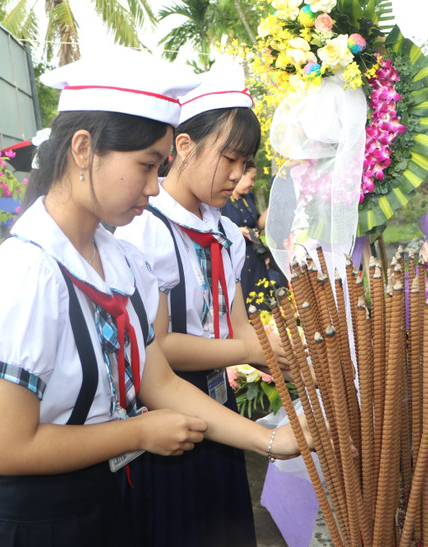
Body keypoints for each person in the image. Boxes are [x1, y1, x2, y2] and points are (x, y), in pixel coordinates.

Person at [0, 48, 309, 547]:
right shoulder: (27, 272)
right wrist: (138, 433)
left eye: (159, 167)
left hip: (98, 499)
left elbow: (156, 378)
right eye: (145, 166)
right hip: (30, 521)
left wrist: (271, 440)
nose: (152, 186)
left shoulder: (116, 258)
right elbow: (7, 447)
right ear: (83, 148)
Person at [114, 58, 292, 547]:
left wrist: (288, 356)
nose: (237, 176)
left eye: (245, 163)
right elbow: (162, 348)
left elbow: (238, 327)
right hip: (167, 408)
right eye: (229, 159)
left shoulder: (226, 231)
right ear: (184, 147)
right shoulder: (146, 229)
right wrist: (253, 351)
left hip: (220, 400)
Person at [220, 160, 286, 301]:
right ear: (240, 176)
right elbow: (217, 230)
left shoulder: (248, 198)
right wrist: (238, 231)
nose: (253, 184)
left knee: (262, 301)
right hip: (237, 261)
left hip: (256, 259)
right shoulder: (222, 201)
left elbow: (257, 226)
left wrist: (274, 203)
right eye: (252, 178)